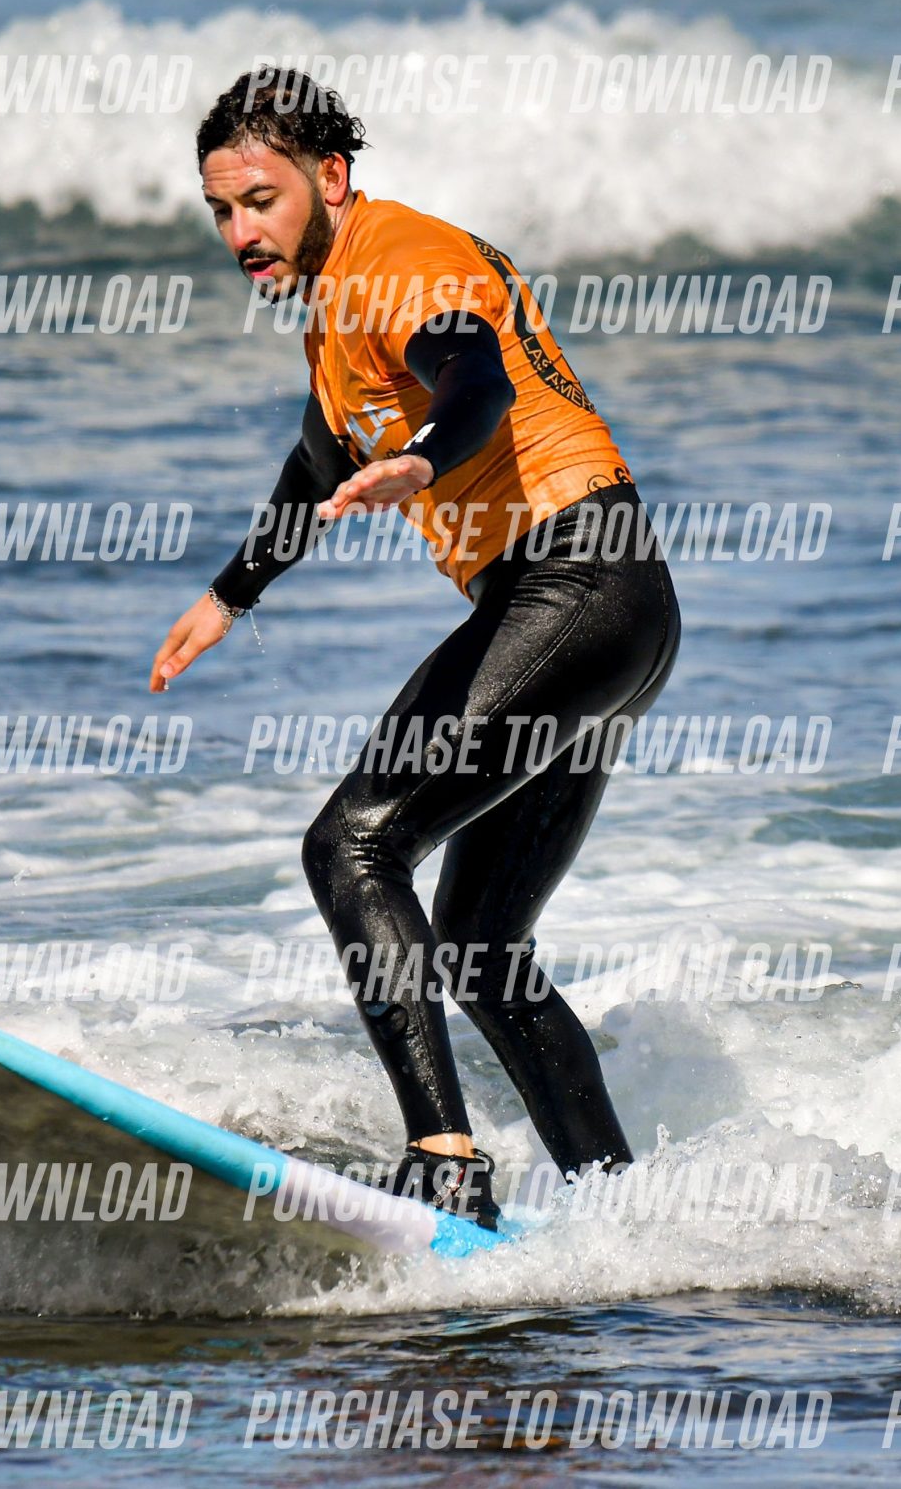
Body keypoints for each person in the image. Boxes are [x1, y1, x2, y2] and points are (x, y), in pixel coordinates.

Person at [149, 68, 682, 1229]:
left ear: (330, 178)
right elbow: (319, 458)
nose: (240, 234)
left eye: (260, 201)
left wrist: (430, 457)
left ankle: (444, 1164)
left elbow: (472, 373)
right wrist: (230, 595)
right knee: (481, 946)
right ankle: (624, 1222)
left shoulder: (398, 259)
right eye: (222, 211)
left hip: (574, 581)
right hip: (613, 607)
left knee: (353, 846)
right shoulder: (338, 306)